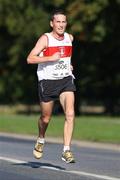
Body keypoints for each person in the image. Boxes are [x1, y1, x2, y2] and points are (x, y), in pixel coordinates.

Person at [27, 9, 76, 163]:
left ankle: (66, 150)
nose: (61, 25)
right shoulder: (45, 39)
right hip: (47, 82)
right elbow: (30, 59)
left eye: (63, 22)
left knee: (70, 113)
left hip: (65, 80)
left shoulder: (70, 37)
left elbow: (66, 56)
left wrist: (69, 65)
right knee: (46, 118)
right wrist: (49, 57)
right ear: (52, 23)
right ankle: (41, 139)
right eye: (58, 22)